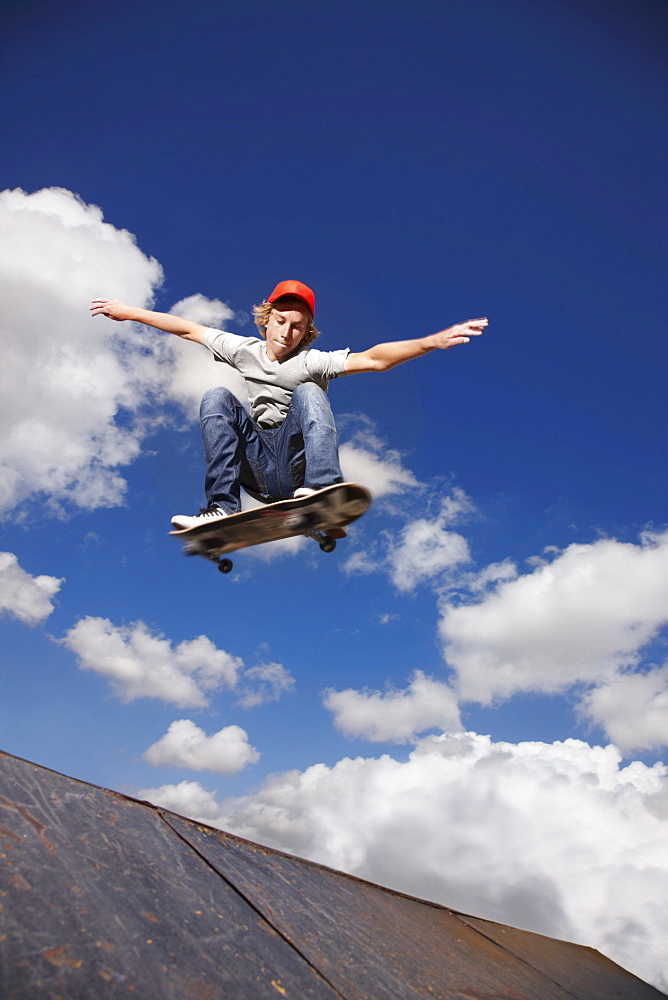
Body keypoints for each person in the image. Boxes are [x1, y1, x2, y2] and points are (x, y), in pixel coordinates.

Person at [90, 280, 487, 529]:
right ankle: (222, 508)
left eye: (298, 327)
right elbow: (188, 328)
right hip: (259, 469)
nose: (287, 332)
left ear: (306, 333)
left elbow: (374, 359)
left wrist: (432, 340)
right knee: (216, 397)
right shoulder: (242, 349)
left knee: (309, 391)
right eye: (281, 321)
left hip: (298, 469)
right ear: (266, 320)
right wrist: (130, 313)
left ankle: (323, 491)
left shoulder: (312, 360)